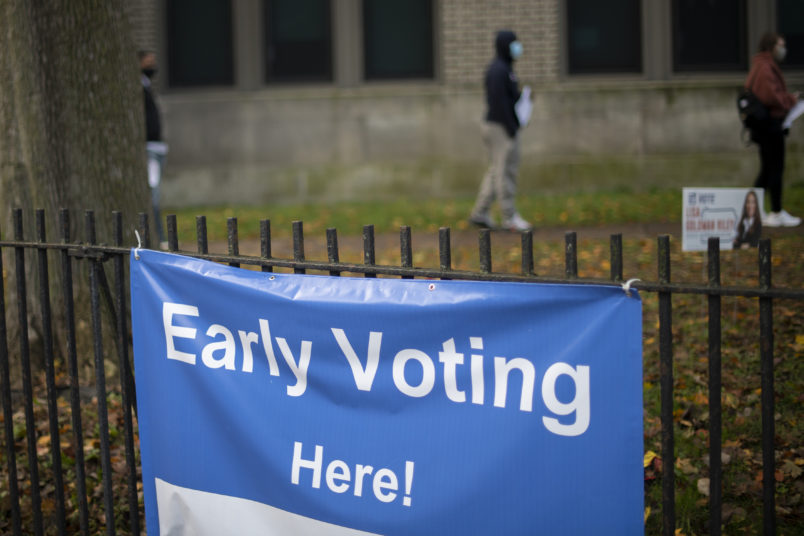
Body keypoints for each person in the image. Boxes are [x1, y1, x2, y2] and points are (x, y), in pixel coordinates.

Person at [469, 30, 532, 232]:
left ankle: (480, 212)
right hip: (500, 127)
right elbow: (498, 103)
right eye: (514, 43)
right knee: (505, 172)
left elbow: (507, 98)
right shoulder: (498, 70)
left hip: (502, 125)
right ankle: (509, 216)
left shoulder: (505, 69)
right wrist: (511, 127)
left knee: (497, 170)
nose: (517, 47)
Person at [744, 32, 801, 227]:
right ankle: (775, 212)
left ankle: (753, 211)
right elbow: (772, 97)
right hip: (770, 126)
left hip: (765, 126)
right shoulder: (765, 67)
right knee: (775, 168)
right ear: (771, 46)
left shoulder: (761, 65)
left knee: (767, 169)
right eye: (781, 45)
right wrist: (791, 100)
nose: (783, 49)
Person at [139, 50, 169, 248]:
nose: (152, 65)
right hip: (149, 148)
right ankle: (159, 237)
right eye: (148, 62)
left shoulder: (146, 86)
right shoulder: (140, 88)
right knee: (153, 195)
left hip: (156, 147)